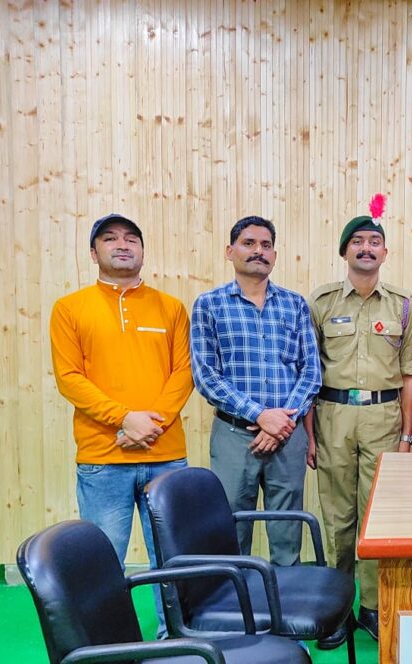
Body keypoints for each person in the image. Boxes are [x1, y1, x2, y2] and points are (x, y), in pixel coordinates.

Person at [50, 213, 193, 630]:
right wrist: (125, 419)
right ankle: (108, 644)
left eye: (132, 238)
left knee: (171, 557)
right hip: (103, 457)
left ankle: (175, 637)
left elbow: (184, 372)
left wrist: (151, 425)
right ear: (93, 253)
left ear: (143, 251)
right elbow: (69, 378)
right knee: (103, 558)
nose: (123, 244)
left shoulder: (170, 308)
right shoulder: (70, 309)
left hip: (166, 456)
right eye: (110, 238)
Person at [309, 196, 412, 646]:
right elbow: (309, 373)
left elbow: (411, 374)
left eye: (374, 241)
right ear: (345, 251)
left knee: (377, 516)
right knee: (338, 517)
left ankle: (373, 607)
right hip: (333, 416)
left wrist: (408, 434)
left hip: (384, 418)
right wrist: (310, 435)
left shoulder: (403, 305)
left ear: (385, 252)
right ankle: (337, 609)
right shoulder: (320, 302)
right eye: (357, 241)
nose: (366, 248)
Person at [190, 216, 321, 567]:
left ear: (274, 255)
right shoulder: (209, 305)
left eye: (266, 245)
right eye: (248, 243)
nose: (258, 251)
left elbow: (311, 372)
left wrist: (282, 422)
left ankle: (286, 599)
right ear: (229, 251)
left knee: (288, 530)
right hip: (234, 436)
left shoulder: (295, 305)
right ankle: (237, 599)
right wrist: (261, 415)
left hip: (288, 436)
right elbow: (205, 376)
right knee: (231, 528)